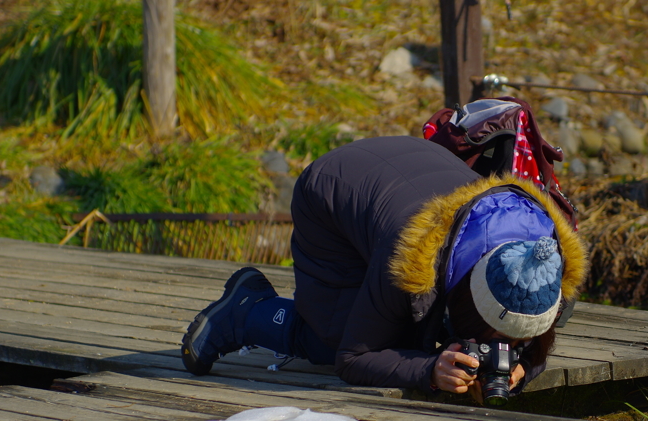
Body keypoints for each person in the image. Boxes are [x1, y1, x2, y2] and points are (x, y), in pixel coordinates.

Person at [180, 135, 586, 400]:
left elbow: (531, 341)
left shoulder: (543, 266)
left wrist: (525, 365)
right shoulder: (412, 258)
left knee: (411, 329)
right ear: (466, 297)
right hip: (333, 192)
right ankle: (244, 311)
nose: (503, 346)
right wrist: (429, 368)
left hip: (411, 168)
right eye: (496, 336)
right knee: (334, 340)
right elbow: (353, 359)